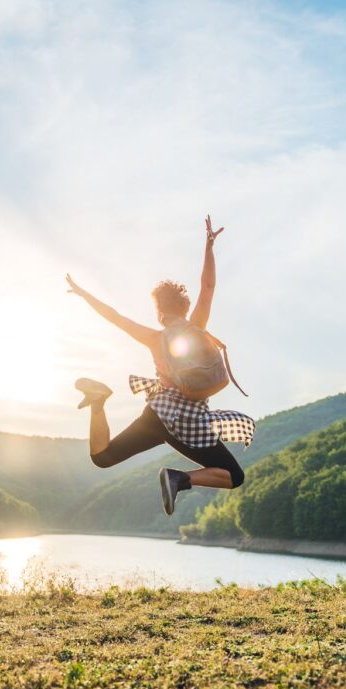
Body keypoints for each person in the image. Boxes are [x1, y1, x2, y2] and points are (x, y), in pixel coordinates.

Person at [66, 216, 254, 515]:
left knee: (102, 456)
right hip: (189, 421)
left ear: (159, 312)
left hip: (157, 413)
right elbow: (208, 285)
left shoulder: (154, 338)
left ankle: (98, 402)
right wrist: (209, 246)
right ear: (186, 307)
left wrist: (84, 294)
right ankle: (178, 478)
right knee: (234, 476)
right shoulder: (197, 326)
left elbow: (115, 317)